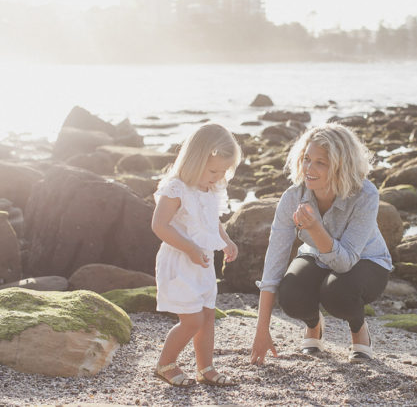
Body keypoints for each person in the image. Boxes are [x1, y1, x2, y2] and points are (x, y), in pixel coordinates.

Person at [250, 123, 392, 366]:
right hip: (316, 256)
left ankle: (359, 330)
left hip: (366, 261)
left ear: (340, 166)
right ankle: (314, 326)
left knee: (337, 294)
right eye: (307, 159)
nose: (309, 169)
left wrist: (316, 228)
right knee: (290, 295)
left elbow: (346, 261)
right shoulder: (293, 197)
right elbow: (274, 262)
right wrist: (261, 330)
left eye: (320, 163)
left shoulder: (365, 194)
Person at [151, 123, 241, 387]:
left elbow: (211, 221)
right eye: (213, 170)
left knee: (208, 316)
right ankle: (165, 363)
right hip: (180, 260)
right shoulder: (176, 188)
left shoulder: (210, 189)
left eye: (223, 171)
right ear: (195, 159)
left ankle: (206, 368)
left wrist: (226, 241)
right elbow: (159, 225)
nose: (218, 176)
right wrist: (189, 248)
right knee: (192, 320)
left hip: (202, 263)